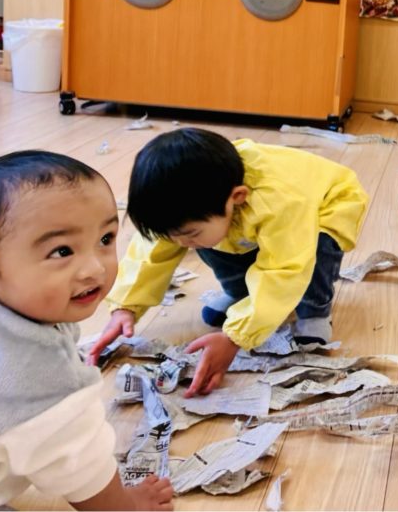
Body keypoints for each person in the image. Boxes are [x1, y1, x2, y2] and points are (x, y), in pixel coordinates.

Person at [89, 128, 368, 397]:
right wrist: (126, 306)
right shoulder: (193, 203)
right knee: (208, 239)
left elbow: (284, 267)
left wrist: (236, 337)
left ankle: (314, 311)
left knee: (313, 248)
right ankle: (241, 294)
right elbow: (149, 254)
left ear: (237, 197)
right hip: (256, 213)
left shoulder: (278, 200)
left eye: (189, 233)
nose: (182, 243)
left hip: (328, 204)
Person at [0, 150, 173, 511]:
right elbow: (82, 466)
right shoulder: (36, 374)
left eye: (106, 239)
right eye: (62, 251)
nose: (95, 268)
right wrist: (124, 506)